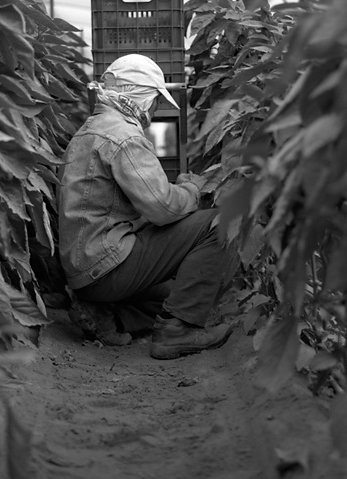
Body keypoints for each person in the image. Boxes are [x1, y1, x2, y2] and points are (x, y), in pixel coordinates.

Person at [57, 53, 237, 359]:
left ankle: (108, 317)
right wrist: (192, 190)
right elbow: (162, 207)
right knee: (222, 224)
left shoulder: (92, 129)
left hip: (87, 271)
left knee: (180, 294)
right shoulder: (123, 136)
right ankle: (175, 334)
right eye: (154, 102)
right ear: (141, 99)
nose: (153, 111)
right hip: (106, 265)